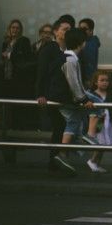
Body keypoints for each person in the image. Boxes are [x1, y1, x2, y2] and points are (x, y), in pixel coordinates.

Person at [36, 16, 76, 176]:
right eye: (64, 29)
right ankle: (55, 160)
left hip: (65, 95)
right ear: (56, 31)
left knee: (66, 126)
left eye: (69, 30)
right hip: (51, 95)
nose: (67, 32)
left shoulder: (69, 49)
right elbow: (42, 72)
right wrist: (40, 93)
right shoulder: (50, 48)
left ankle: (60, 158)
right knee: (60, 125)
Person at [1, 19, 34, 135]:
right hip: (7, 77)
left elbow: (23, 58)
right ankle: (8, 128)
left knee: (18, 105)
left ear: (20, 30)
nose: (15, 30)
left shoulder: (23, 41)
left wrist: (9, 55)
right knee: (8, 104)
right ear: (9, 29)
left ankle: (18, 129)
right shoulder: (6, 42)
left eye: (17, 28)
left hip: (19, 79)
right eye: (13, 27)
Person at [82, 70, 112, 173]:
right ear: (96, 82)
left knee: (105, 144)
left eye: (106, 80)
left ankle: (97, 163)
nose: (105, 82)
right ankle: (92, 161)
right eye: (102, 80)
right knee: (100, 143)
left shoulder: (110, 93)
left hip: (109, 122)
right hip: (99, 123)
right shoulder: (92, 95)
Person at [77, 18, 100, 83]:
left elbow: (89, 63)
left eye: (84, 29)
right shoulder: (81, 41)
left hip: (86, 79)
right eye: (80, 29)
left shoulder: (91, 43)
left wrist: (88, 79)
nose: (81, 31)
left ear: (91, 30)